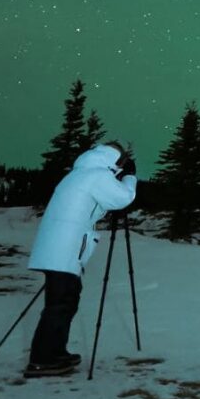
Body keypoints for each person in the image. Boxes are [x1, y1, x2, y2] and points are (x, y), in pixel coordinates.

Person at [25, 140, 137, 377]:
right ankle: (43, 360)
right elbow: (122, 199)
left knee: (64, 300)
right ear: (115, 160)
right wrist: (129, 177)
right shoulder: (97, 175)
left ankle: (55, 353)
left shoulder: (80, 173)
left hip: (56, 246)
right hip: (65, 248)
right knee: (60, 304)